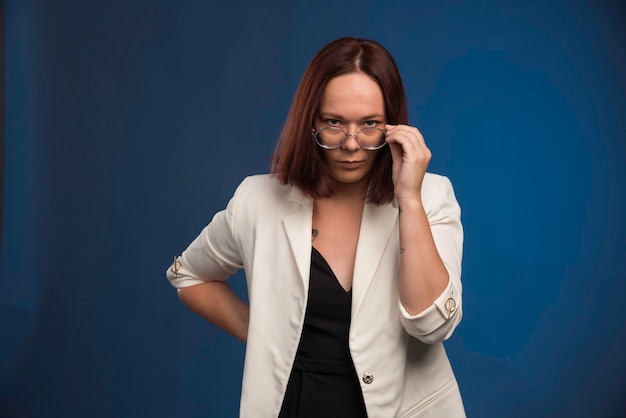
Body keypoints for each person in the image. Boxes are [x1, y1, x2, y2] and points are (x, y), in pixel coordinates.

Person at [167, 37, 465, 417]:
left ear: (392, 125)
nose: (351, 144)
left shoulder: (431, 196)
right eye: (334, 123)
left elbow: (432, 326)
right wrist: (269, 338)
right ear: (311, 120)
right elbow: (191, 276)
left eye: (370, 124)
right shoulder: (257, 200)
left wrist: (408, 198)